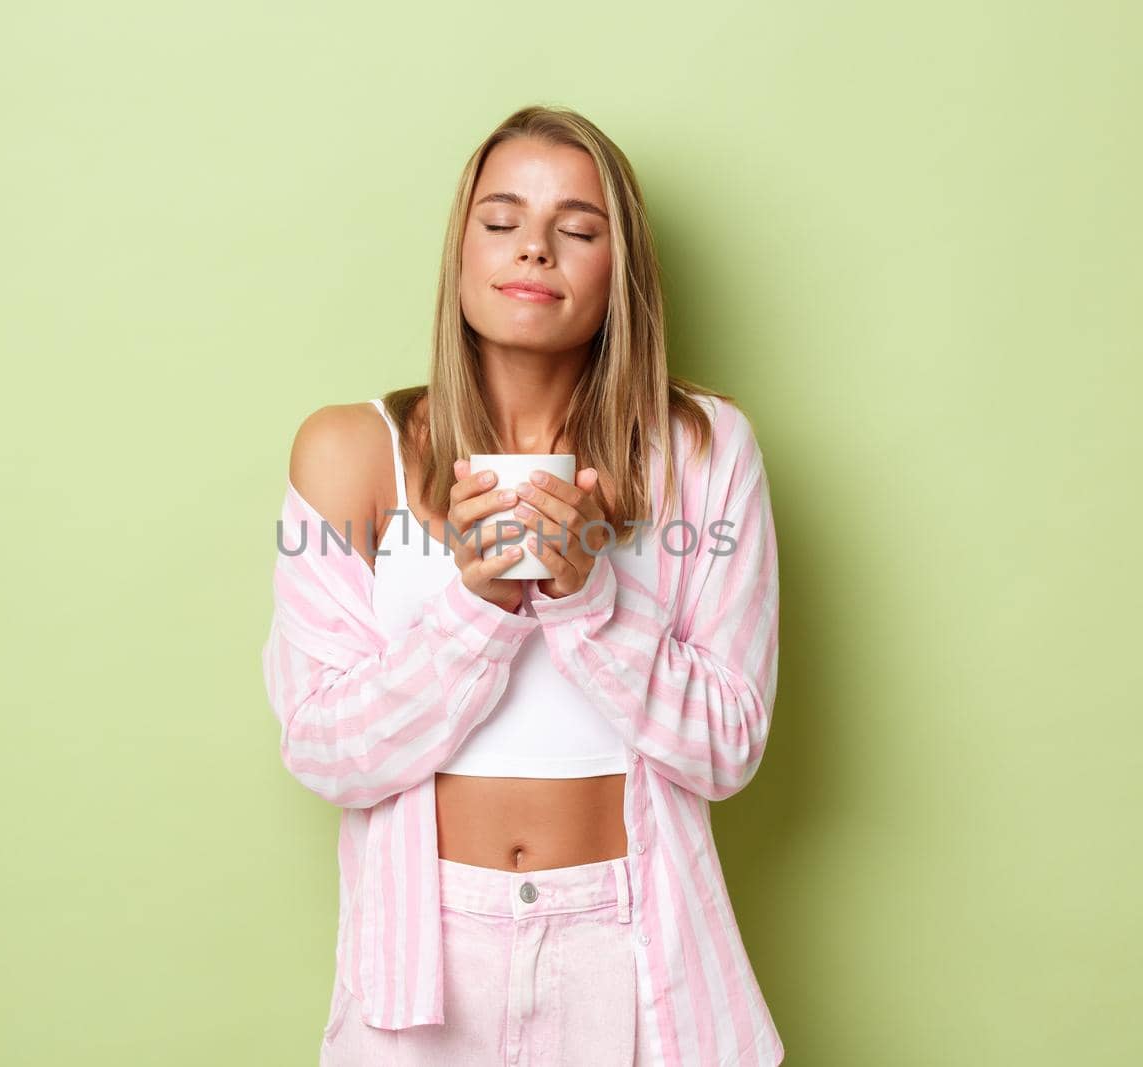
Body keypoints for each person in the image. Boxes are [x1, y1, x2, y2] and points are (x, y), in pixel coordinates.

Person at [262, 104, 785, 1066]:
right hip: (427, 959)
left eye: (577, 230)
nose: (535, 250)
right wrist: (478, 608)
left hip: (631, 945)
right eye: (502, 222)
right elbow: (324, 747)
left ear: (618, 271)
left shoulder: (706, 452)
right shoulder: (349, 451)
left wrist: (590, 600)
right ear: (461, 254)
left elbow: (729, 747)